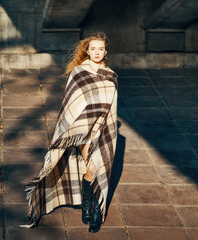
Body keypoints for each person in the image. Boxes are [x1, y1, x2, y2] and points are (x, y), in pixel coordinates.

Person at [22, 33, 118, 233]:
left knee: (97, 169)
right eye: (93, 49)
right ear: (87, 50)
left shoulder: (111, 76)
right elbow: (71, 104)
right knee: (93, 167)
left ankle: (93, 212)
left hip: (102, 129)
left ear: (105, 51)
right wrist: (75, 127)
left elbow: (111, 108)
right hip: (83, 131)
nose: (97, 52)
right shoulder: (78, 73)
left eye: (101, 49)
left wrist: (103, 125)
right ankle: (90, 210)